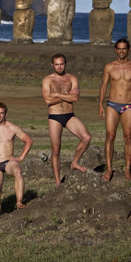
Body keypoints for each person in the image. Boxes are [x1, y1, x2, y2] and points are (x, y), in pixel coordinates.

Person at [41, 53, 91, 186]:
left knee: (86, 138)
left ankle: (74, 162)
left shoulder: (72, 78)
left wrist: (56, 94)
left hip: (69, 115)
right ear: (52, 65)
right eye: (56, 64)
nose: (59, 67)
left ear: (65, 64)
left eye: (61, 64)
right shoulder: (47, 80)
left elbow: (75, 98)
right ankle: (57, 181)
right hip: (55, 116)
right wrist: (66, 95)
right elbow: (47, 100)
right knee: (56, 150)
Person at [99, 39, 131, 182]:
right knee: (110, 136)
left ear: (129, 50)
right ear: (115, 50)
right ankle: (109, 169)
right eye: (119, 48)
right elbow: (104, 86)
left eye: (124, 48)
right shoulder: (109, 67)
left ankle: (127, 169)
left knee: (128, 137)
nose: (122, 51)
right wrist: (100, 104)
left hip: (128, 106)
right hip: (112, 104)